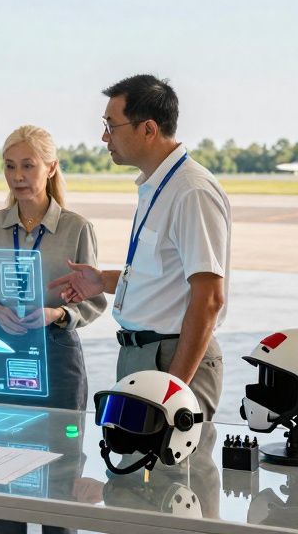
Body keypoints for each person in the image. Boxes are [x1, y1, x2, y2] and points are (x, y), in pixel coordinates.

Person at [52, 74, 230, 418]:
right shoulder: (157, 186)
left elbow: (209, 298)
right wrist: (102, 281)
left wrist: (172, 391)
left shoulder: (191, 192)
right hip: (143, 356)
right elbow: (165, 278)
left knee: (175, 471)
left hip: (172, 359)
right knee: (137, 470)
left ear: (148, 129)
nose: (105, 136)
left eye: (111, 125)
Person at [0, 124, 107, 534]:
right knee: (3, 468)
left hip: (56, 356)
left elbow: (94, 301)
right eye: (10, 166)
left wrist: (55, 314)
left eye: (28, 165)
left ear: (51, 168)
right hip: (1, 353)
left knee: (60, 470)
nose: (18, 176)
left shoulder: (76, 228)